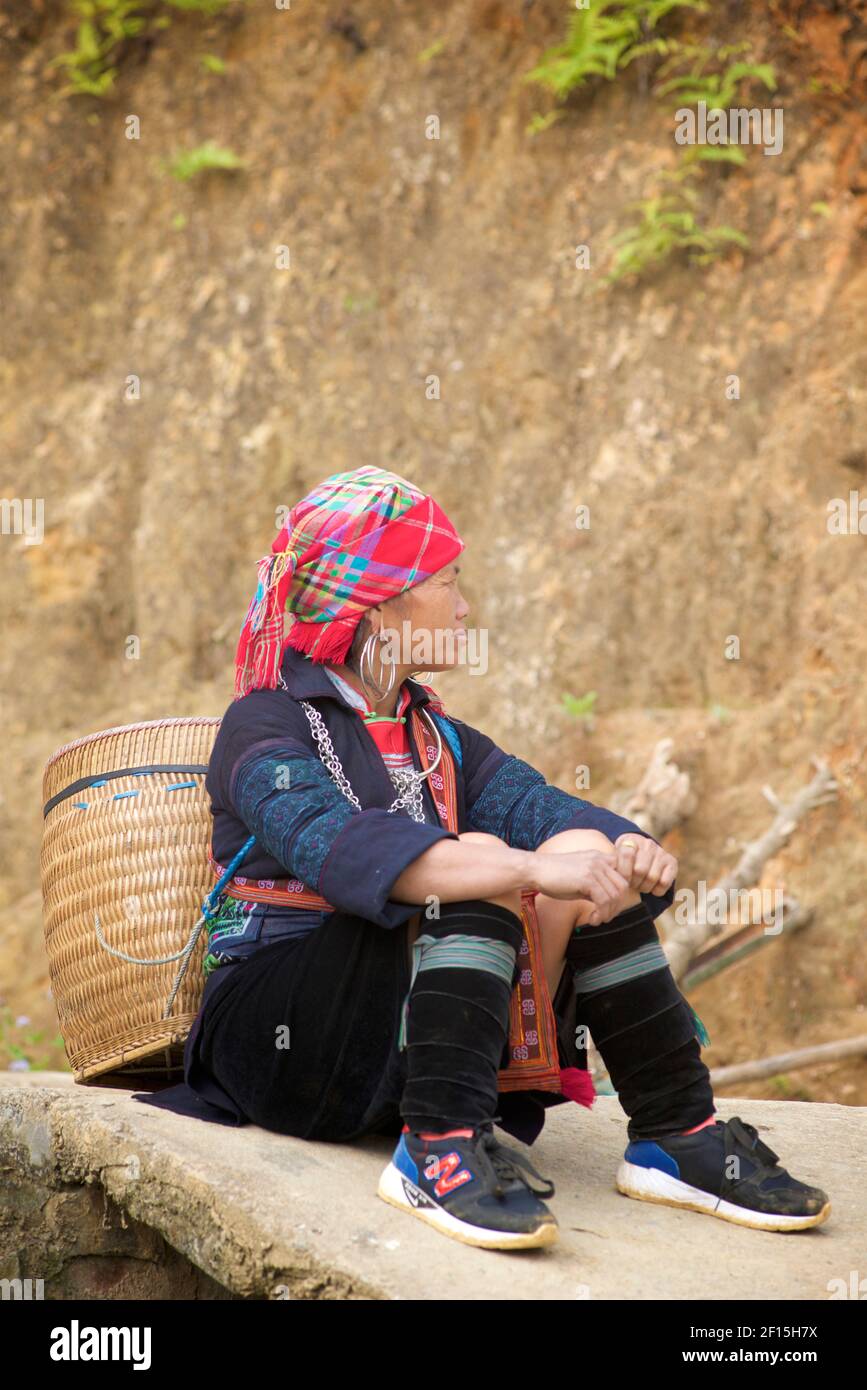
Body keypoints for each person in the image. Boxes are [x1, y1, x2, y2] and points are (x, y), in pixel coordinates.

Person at [137, 465, 830, 1251]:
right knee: (481, 867)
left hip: (400, 1039)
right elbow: (344, 850)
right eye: (447, 582)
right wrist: (524, 870)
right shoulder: (264, 727)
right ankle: (435, 1152)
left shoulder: (441, 739)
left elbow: (545, 808)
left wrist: (623, 845)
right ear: (384, 603)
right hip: (285, 1042)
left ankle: (677, 1132)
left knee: (580, 859)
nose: (464, 606)